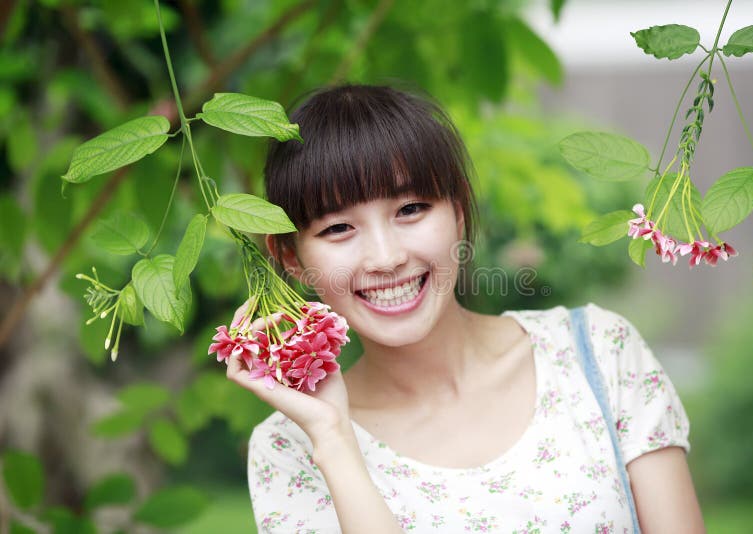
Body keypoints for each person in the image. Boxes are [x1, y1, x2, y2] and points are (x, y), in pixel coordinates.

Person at [225, 84, 706, 533]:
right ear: (290, 256)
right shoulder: (292, 448)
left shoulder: (598, 353)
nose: (387, 257)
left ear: (457, 211)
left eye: (410, 209)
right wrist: (333, 441)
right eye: (338, 229)